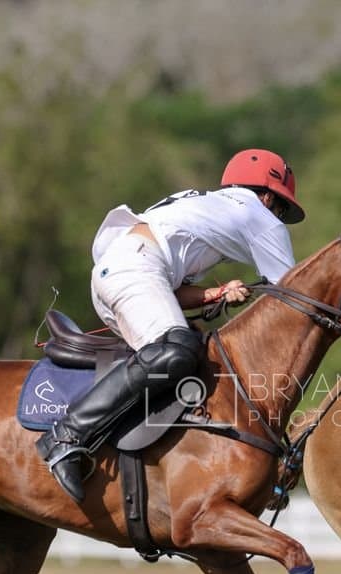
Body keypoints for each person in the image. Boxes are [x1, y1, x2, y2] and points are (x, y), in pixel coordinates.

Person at [38, 149, 305, 502]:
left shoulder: (208, 209)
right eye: (282, 209)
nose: (280, 219)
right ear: (267, 196)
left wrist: (215, 293)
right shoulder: (260, 216)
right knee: (177, 350)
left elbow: (172, 288)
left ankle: (165, 466)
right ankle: (67, 435)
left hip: (123, 270)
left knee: (195, 361)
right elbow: (295, 296)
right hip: (133, 268)